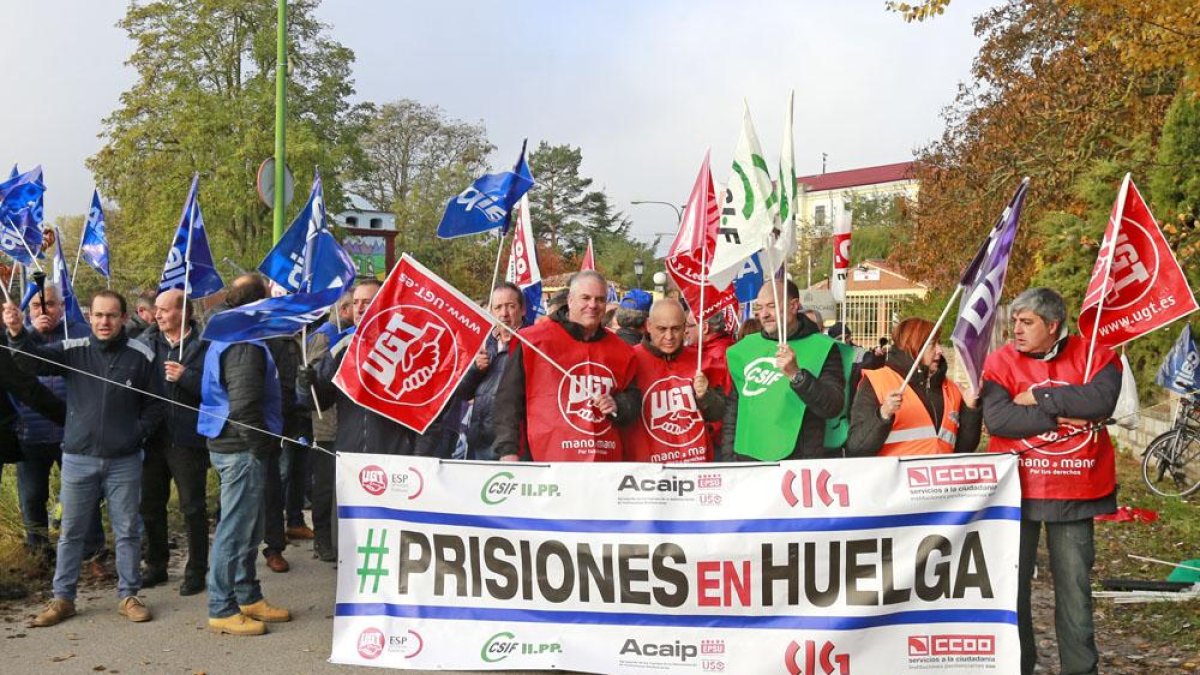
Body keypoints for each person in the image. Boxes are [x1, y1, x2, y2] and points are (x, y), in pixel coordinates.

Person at [980, 288, 1120, 675]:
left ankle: (1080, 669)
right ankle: (1019, 666)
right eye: (1015, 323)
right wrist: (1062, 414)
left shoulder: (1095, 356)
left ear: (1053, 325)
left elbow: (1100, 403)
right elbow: (1000, 421)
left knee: (1074, 590)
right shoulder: (999, 362)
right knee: (1012, 590)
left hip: (1076, 491)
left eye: (1026, 323)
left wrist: (1038, 396)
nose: (1016, 331)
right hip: (1015, 493)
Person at [5, 290, 164, 627]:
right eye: (98, 315)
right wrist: (18, 333)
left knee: (126, 531)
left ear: (123, 318)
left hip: (125, 459)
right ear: (89, 317)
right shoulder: (73, 349)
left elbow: (156, 405)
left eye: (111, 316)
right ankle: (63, 598)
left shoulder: (142, 355)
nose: (104, 322)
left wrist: (137, 433)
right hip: (78, 457)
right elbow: (32, 361)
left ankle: (129, 595)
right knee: (71, 532)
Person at [198, 275, 291, 636]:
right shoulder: (244, 343)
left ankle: (247, 594)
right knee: (235, 531)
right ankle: (221, 606)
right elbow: (245, 405)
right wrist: (261, 447)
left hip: (235, 443)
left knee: (249, 527)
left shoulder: (232, 332)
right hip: (240, 448)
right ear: (258, 305)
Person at [493, 271, 639, 462]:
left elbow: (634, 398)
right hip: (546, 460)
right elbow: (508, 401)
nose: (593, 305)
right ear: (570, 300)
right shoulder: (533, 341)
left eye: (600, 299)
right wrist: (507, 450)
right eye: (585, 298)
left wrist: (619, 404)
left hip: (604, 464)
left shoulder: (622, 350)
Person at [9, 283, 104, 569]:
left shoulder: (80, 332)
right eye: (36, 306)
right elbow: (19, 363)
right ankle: (39, 554)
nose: (43, 310)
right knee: (32, 496)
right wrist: (31, 333)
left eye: (49, 304)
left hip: (72, 431)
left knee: (83, 494)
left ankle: (92, 554)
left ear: (62, 306)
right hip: (30, 430)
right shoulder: (17, 336)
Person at [720, 279, 850, 461]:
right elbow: (734, 411)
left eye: (771, 306)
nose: (764, 314)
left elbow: (832, 406)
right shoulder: (744, 349)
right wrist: (729, 459)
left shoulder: (823, 347)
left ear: (794, 306)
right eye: (759, 308)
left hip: (797, 462)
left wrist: (797, 375)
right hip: (748, 460)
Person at [138, 289, 211, 596]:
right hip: (152, 437)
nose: (158, 315)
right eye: (157, 309)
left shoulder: (205, 345)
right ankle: (156, 565)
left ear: (184, 313)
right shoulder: (144, 343)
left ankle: (196, 570)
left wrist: (187, 377)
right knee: (150, 505)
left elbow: (216, 389)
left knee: (193, 507)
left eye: (165, 310)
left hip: (187, 438)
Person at [845, 318, 981, 457]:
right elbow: (856, 447)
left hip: (939, 477)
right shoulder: (877, 382)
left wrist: (970, 409)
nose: (940, 350)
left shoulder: (952, 389)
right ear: (913, 346)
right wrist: (883, 414)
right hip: (894, 478)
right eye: (933, 344)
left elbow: (964, 450)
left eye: (939, 343)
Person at [622, 299, 724, 463]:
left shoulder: (702, 360)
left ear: (685, 327)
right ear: (648, 325)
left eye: (676, 329)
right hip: (648, 468)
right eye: (662, 329)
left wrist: (706, 396)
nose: (669, 336)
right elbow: (621, 415)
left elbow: (719, 413)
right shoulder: (630, 359)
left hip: (695, 463)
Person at [454, 282, 526, 460]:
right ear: (491, 311)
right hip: (478, 440)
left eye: (511, 306)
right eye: (498, 307)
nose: (504, 314)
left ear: (522, 309)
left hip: (512, 444)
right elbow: (461, 392)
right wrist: (475, 369)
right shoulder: (484, 343)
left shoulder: (531, 344)